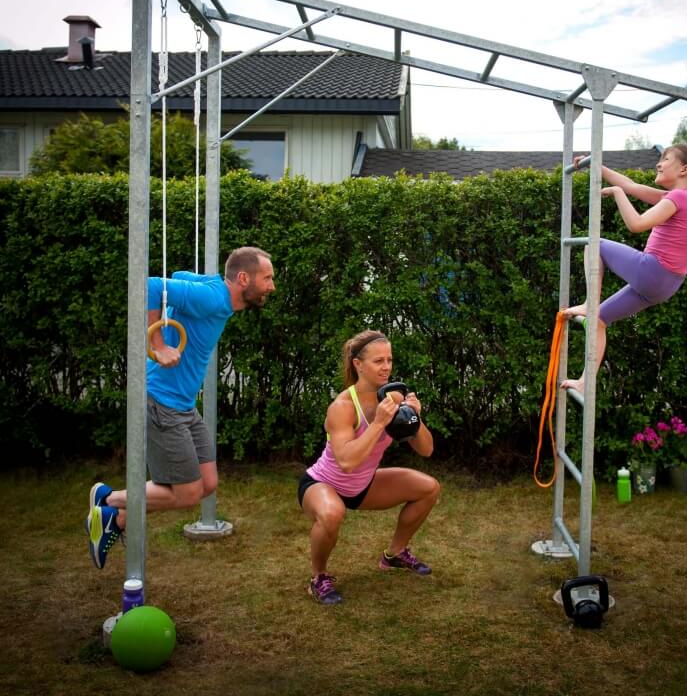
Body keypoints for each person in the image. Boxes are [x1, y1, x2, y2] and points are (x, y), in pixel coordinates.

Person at [86, 246, 276, 569]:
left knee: (208, 482)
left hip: (184, 405)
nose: (271, 285)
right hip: (163, 402)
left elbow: (178, 277)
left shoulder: (218, 293)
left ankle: (115, 520)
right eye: (267, 278)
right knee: (188, 493)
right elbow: (149, 285)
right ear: (244, 279)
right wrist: (157, 344)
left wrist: (184, 296)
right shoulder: (215, 299)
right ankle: (108, 500)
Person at [561, 143, 687, 394]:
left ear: (684, 169)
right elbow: (632, 185)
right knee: (598, 321)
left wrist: (618, 193)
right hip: (665, 285)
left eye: (665, 159)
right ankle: (585, 382)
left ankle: (590, 302)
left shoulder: (677, 198)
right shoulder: (683, 198)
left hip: (654, 271)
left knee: (594, 244)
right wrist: (595, 165)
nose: (659, 163)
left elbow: (636, 224)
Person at [299, 330, 441, 605]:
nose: (386, 366)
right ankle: (319, 578)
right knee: (332, 513)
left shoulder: (393, 398)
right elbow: (347, 461)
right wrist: (378, 423)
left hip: (362, 486)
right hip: (322, 484)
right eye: (378, 361)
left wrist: (415, 417)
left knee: (429, 488)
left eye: (389, 359)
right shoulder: (342, 406)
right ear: (358, 364)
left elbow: (426, 449)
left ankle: (395, 555)